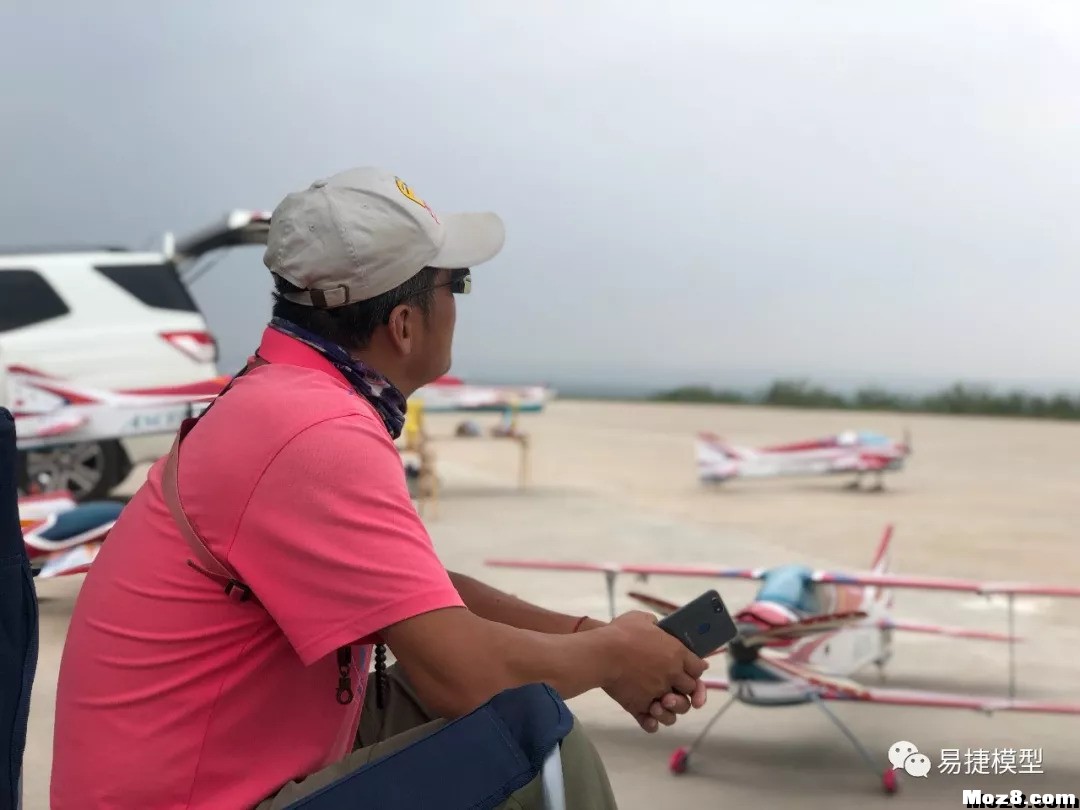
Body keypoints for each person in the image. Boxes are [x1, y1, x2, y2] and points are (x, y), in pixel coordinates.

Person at [50, 167, 710, 809]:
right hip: (199, 799)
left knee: (508, 686)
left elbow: (415, 589)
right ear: (403, 323)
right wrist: (616, 654)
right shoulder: (313, 432)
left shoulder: (278, 395)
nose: (458, 304)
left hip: (208, 767)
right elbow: (469, 681)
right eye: (458, 284)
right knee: (536, 742)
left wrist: (592, 637)